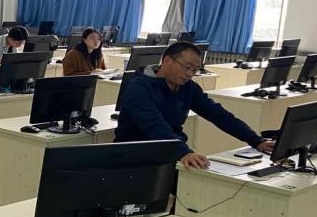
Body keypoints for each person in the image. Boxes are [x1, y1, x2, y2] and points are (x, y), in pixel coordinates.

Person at [115, 41, 274, 169]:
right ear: (167, 60)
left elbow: (217, 114)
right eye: (187, 67)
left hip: (169, 153)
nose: (190, 74)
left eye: (195, 70)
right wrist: (184, 152)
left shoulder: (188, 87)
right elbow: (154, 125)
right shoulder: (139, 87)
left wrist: (256, 140)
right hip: (136, 157)